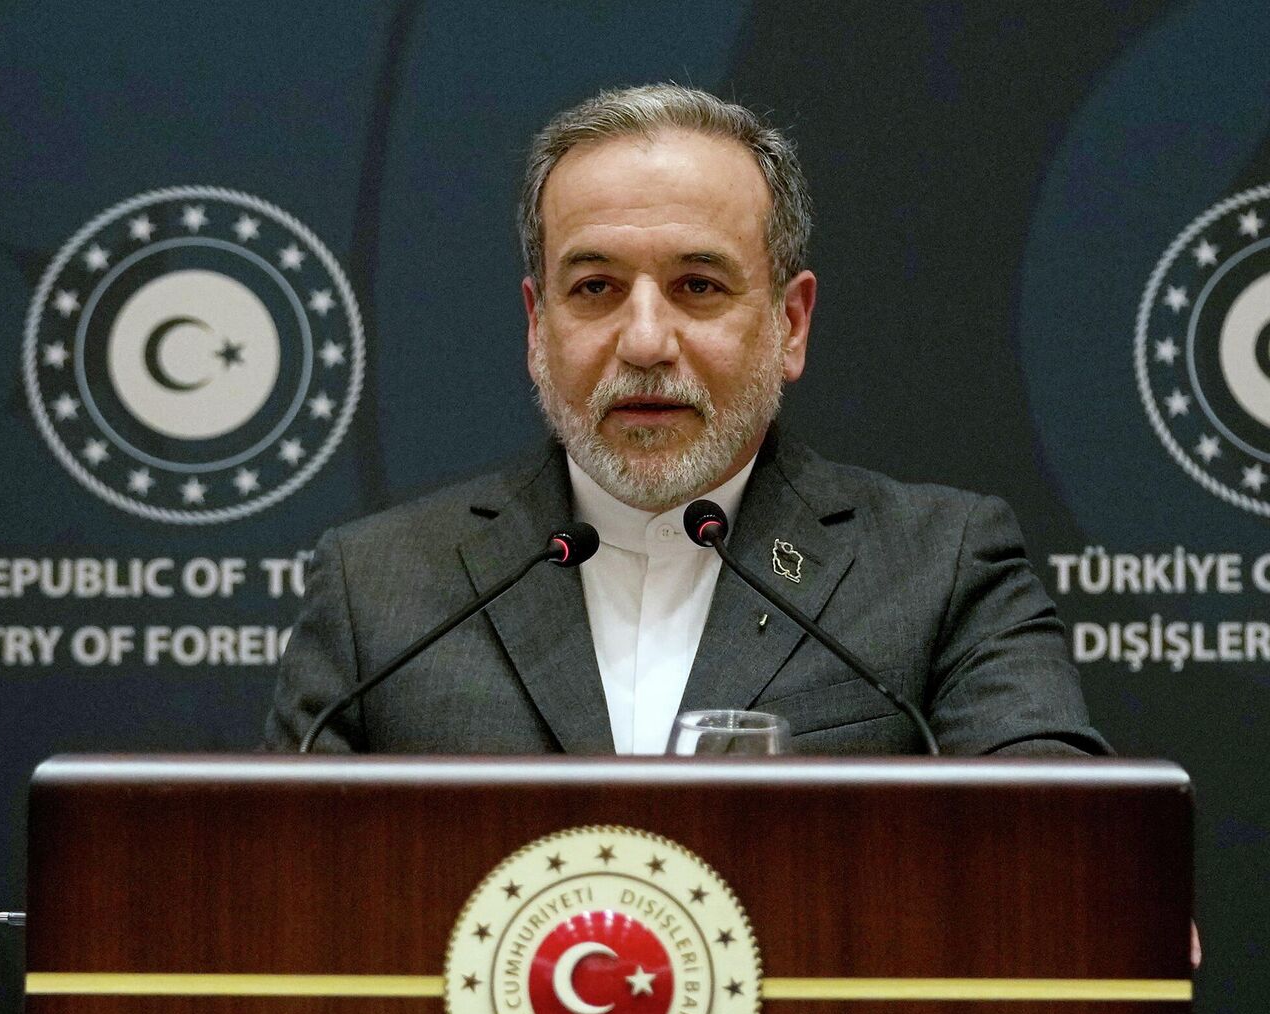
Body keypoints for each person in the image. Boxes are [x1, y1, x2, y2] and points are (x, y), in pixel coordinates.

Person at [264, 84, 1108, 756]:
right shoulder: (379, 592)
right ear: (536, 326)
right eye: (595, 288)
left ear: (790, 324)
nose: (644, 341)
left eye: (698, 286)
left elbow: (1057, 845)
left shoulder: (938, 569)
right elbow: (275, 884)